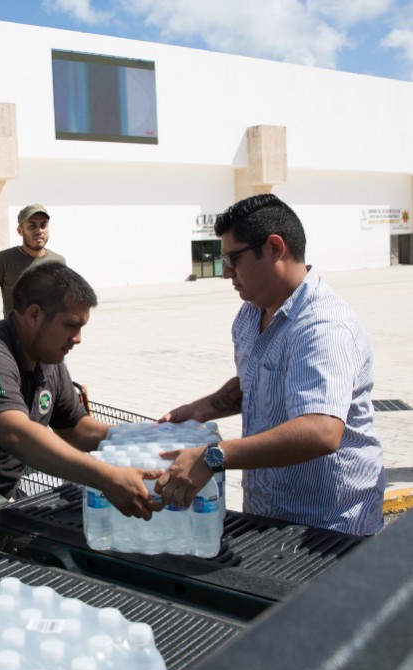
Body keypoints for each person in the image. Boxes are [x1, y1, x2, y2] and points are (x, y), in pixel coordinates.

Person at [155, 194, 384, 536]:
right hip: (268, 513)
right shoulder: (251, 314)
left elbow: (322, 430)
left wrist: (212, 456)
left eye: (233, 258)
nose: (226, 273)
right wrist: (203, 408)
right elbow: (259, 380)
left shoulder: (323, 325)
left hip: (328, 527)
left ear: (275, 248)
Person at [0, 261, 161, 525]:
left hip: (3, 502)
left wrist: (145, 436)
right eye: (71, 325)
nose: (78, 338)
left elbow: (75, 429)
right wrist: (105, 476)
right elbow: (16, 435)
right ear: (34, 315)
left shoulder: (48, 360)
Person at [0, 204, 66, 326]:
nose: (39, 231)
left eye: (43, 225)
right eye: (32, 226)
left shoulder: (58, 262)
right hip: (14, 340)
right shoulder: (4, 259)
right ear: (20, 231)